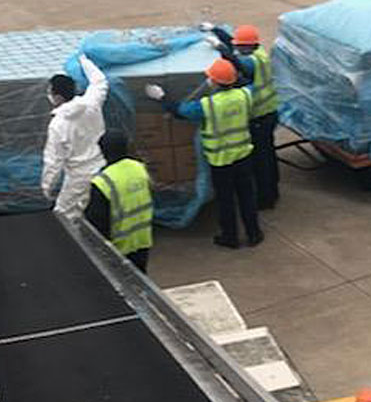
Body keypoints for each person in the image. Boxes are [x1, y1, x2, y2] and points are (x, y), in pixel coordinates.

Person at [145, 59, 263, 249]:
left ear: (215, 82)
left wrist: (161, 98)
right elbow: (250, 82)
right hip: (243, 155)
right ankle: (254, 233)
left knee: (226, 200)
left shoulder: (207, 105)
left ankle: (230, 237)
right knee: (247, 196)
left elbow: (181, 111)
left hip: (221, 160)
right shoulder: (245, 95)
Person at [201, 23, 280, 210]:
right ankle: (271, 191)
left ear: (248, 46)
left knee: (261, 161)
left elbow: (238, 64)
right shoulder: (257, 51)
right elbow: (235, 45)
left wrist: (220, 48)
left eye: (239, 46)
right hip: (268, 113)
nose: (236, 48)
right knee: (268, 156)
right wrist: (216, 30)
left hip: (260, 116)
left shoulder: (252, 61)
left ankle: (265, 198)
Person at [41, 54, 109, 219]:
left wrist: (47, 188)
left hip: (79, 176)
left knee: (65, 216)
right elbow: (100, 82)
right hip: (103, 168)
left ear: (57, 97)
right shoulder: (91, 103)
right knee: (101, 211)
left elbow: (53, 162)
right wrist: (84, 61)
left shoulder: (58, 125)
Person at [85, 135, 153, 272]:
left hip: (119, 246)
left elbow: (96, 221)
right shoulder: (139, 168)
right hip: (142, 238)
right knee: (141, 279)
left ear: (103, 152)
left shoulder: (103, 181)